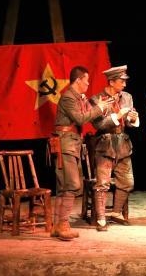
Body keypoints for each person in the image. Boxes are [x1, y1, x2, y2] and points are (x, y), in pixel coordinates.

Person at [50, 65, 112, 241]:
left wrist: (100, 108)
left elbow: (85, 115)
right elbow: (80, 118)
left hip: (71, 144)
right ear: (78, 80)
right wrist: (99, 108)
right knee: (71, 184)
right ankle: (63, 225)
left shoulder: (77, 98)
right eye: (86, 80)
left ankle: (58, 226)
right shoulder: (68, 98)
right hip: (66, 144)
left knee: (65, 186)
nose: (88, 84)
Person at [89, 65, 140, 231]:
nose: (124, 84)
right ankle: (101, 219)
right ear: (111, 82)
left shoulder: (127, 97)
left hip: (123, 144)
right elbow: (99, 124)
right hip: (105, 145)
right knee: (102, 184)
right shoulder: (96, 100)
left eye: (125, 81)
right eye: (121, 81)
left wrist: (133, 118)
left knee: (128, 182)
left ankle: (116, 212)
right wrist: (117, 116)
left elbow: (129, 123)